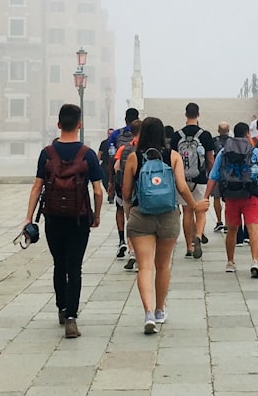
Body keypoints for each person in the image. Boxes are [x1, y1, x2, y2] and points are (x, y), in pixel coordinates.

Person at [122, 116, 209, 334]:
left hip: (141, 215)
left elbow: (125, 193)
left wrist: (128, 212)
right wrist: (195, 206)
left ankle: (148, 312)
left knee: (145, 266)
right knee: (163, 265)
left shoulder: (134, 158)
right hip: (168, 216)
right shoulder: (173, 156)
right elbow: (181, 186)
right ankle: (160, 310)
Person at [23, 103, 103, 339]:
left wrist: (28, 218)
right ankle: (71, 318)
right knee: (74, 267)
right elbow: (98, 191)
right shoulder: (87, 154)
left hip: (54, 218)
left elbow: (37, 186)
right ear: (80, 125)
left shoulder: (47, 153)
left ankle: (61, 307)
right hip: (79, 219)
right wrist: (96, 215)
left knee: (59, 264)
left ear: (59, 125)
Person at [205, 121, 258, 278]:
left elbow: (213, 176)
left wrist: (205, 197)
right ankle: (254, 261)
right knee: (253, 229)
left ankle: (231, 262)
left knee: (232, 230)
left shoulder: (224, 152)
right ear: (247, 134)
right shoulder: (255, 152)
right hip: (250, 195)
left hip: (231, 195)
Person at [170, 102, 216, 259]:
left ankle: (189, 247)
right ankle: (198, 235)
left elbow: (173, 159)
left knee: (187, 212)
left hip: (182, 179)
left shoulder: (177, 136)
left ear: (185, 114)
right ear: (198, 114)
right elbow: (210, 159)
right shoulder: (205, 135)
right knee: (200, 210)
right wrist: (211, 176)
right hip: (201, 178)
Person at [112, 122, 141, 265]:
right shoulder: (148, 148)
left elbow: (116, 167)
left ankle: (132, 251)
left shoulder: (123, 148)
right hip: (145, 192)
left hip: (127, 190)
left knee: (131, 222)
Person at [211, 122, 231, 233]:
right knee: (228, 199)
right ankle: (228, 223)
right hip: (230, 174)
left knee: (216, 197)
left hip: (217, 173)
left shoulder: (214, 141)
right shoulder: (232, 141)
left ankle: (219, 222)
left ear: (218, 130)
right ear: (228, 130)